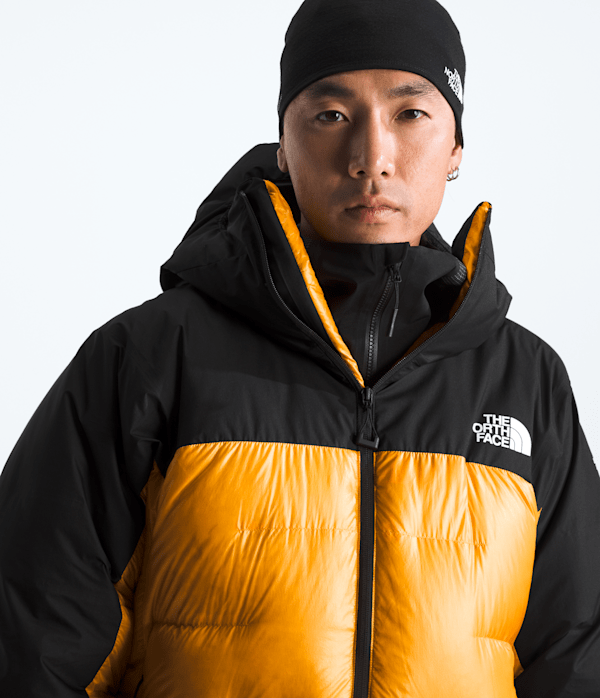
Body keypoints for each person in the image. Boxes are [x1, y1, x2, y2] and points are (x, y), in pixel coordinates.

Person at [0, 0, 598, 696]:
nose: (372, 158)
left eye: (410, 113)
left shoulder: (526, 381)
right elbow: (33, 646)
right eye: (332, 115)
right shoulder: (152, 357)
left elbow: (576, 659)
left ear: (456, 147)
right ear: (283, 143)